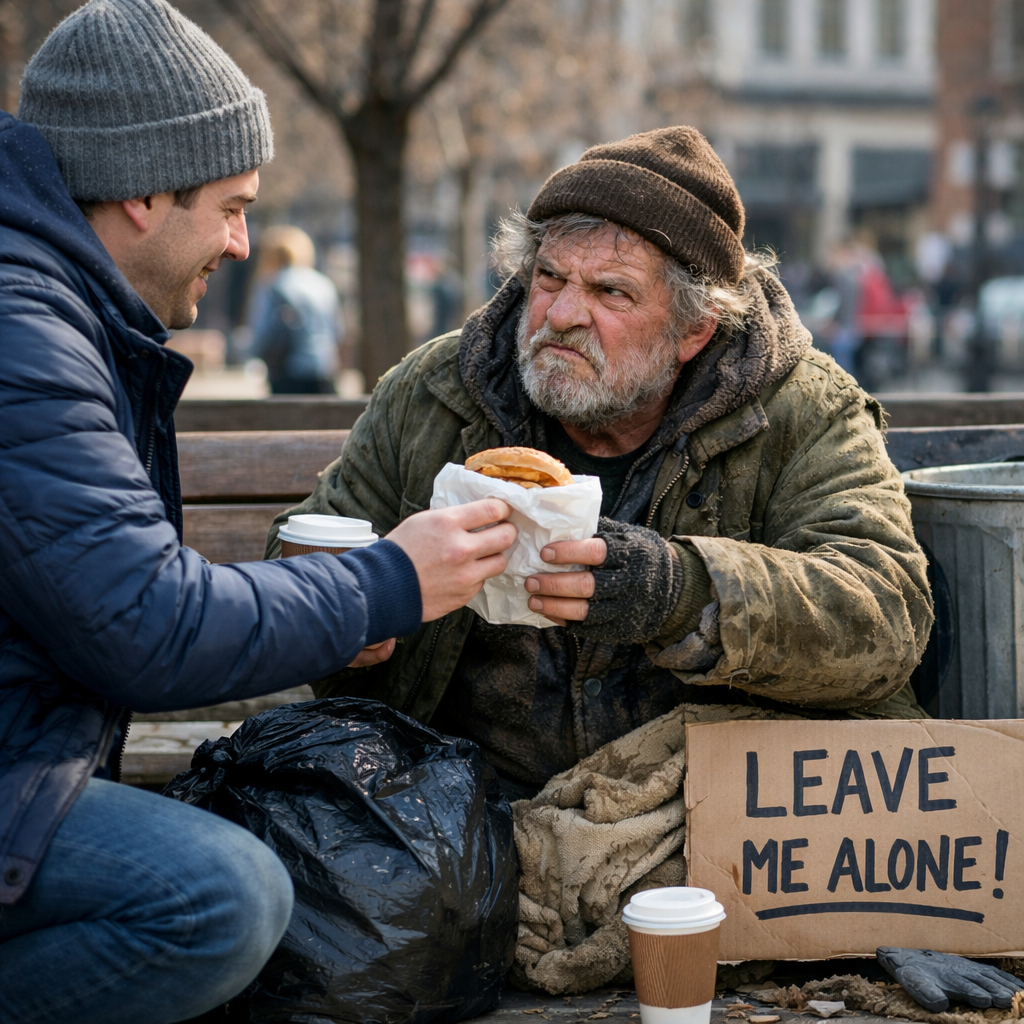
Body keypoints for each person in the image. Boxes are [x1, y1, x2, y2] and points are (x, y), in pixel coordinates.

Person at [0, 2, 515, 1022]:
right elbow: (147, 627)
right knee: (223, 898)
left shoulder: (53, 306)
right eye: (231, 205)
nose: (242, 242)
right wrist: (389, 583)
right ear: (145, 191)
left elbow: (111, 594)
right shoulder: (24, 335)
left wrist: (351, 606)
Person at [269, 127, 934, 798]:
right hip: (459, 807)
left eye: (611, 293)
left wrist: (678, 593)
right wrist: (337, 609)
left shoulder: (802, 408)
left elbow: (885, 608)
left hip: (699, 807)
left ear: (694, 328)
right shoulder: (438, 389)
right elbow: (315, 540)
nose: (561, 315)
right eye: (549, 277)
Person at [250, 224, 341, 394]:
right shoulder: (323, 284)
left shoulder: (273, 285)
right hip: (324, 372)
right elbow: (337, 332)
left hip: (288, 374)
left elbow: (263, 333)